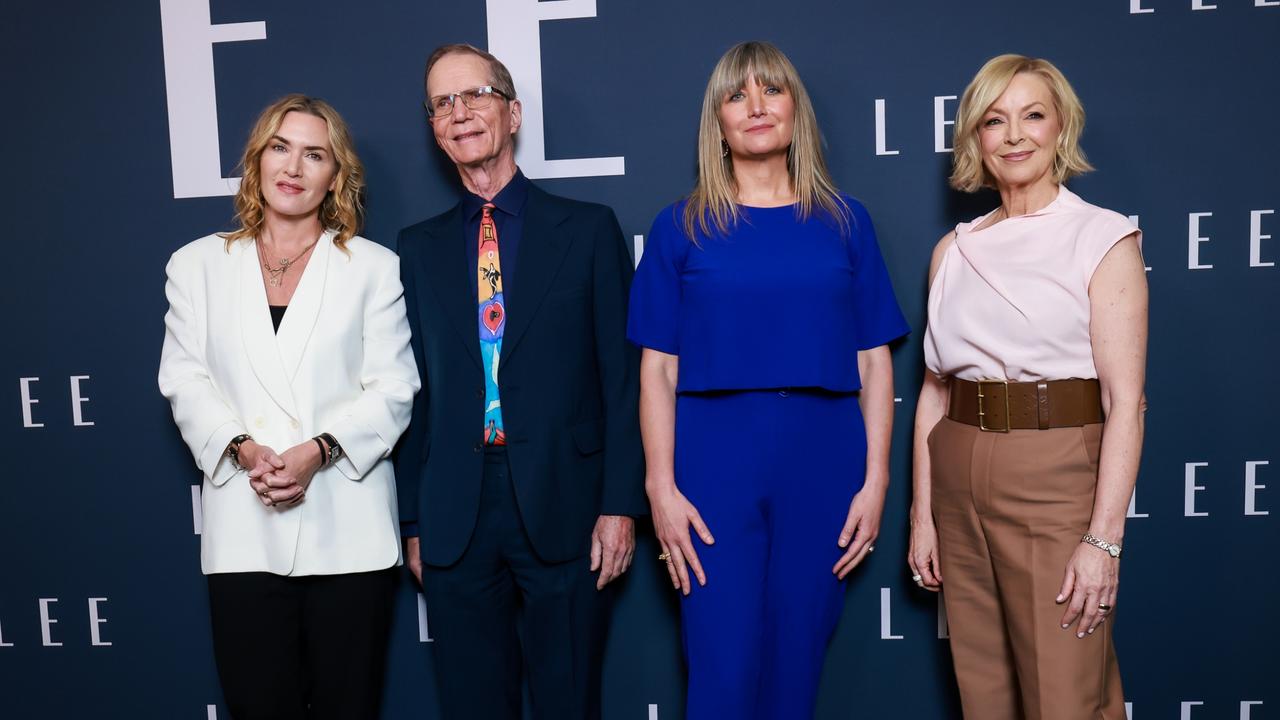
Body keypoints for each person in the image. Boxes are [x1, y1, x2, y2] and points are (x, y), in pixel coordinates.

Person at [628, 41, 909, 720]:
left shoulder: (846, 222)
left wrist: (875, 483)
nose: (756, 107)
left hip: (823, 462)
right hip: (712, 465)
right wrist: (660, 488)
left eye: (772, 91)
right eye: (736, 95)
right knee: (721, 671)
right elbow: (657, 372)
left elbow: (875, 363)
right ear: (717, 121)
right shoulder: (681, 227)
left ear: (795, 110)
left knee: (795, 669)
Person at [394, 44, 646, 720]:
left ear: (513, 113)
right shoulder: (416, 249)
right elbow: (412, 392)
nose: (459, 112)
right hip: (456, 512)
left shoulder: (588, 230)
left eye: (474, 95)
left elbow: (622, 381)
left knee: (569, 701)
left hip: (566, 500)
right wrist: (414, 518)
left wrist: (620, 505)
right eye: (442, 103)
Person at [158, 94, 420, 719]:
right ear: (257, 160)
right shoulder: (196, 265)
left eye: (315, 154)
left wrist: (316, 453)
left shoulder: (373, 269)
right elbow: (184, 379)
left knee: (346, 708)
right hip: (244, 527)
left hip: (347, 529)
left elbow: (393, 387)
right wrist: (243, 448)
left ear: (337, 176)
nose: (294, 167)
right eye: (280, 147)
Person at [907, 54, 1147, 720]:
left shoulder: (1102, 237)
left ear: (1060, 125)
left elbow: (1126, 402)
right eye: (994, 120)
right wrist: (922, 515)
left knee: (1066, 694)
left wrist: (1103, 542)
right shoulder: (952, 250)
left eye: (1032, 115)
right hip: (957, 471)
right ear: (976, 139)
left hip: (1054, 470)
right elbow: (933, 391)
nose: (1014, 135)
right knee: (985, 691)